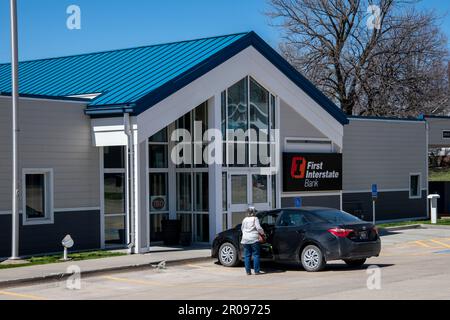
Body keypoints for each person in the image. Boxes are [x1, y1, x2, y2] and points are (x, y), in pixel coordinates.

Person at [241, 207, 266, 275]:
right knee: (256, 255)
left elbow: (242, 228)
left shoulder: (244, 219)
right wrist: (263, 233)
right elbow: (258, 228)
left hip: (245, 239)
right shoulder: (255, 219)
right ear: (253, 212)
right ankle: (256, 271)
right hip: (254, 239)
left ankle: (248, 271)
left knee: (247, 256)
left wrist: (246, 234)